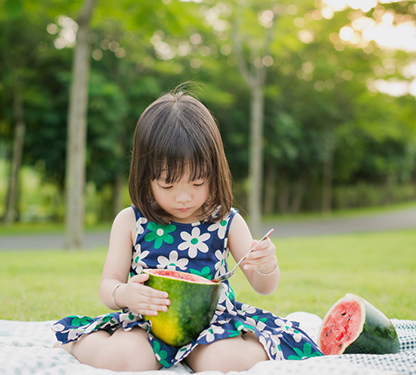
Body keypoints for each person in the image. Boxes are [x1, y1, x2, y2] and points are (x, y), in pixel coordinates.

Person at [51, 89, 322, 372]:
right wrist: (125, 295)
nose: (183, 198)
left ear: (214, 172)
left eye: (197, 183)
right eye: (167, 185)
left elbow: (264, 287)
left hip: (213, 324)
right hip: (147, 324)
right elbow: (108, 287)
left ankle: (233, 349)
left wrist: (266, 264)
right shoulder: (130, 221)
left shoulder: (227, 221)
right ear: (145, 176)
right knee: (128, 360)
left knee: (228, 361)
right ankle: (75, 343)